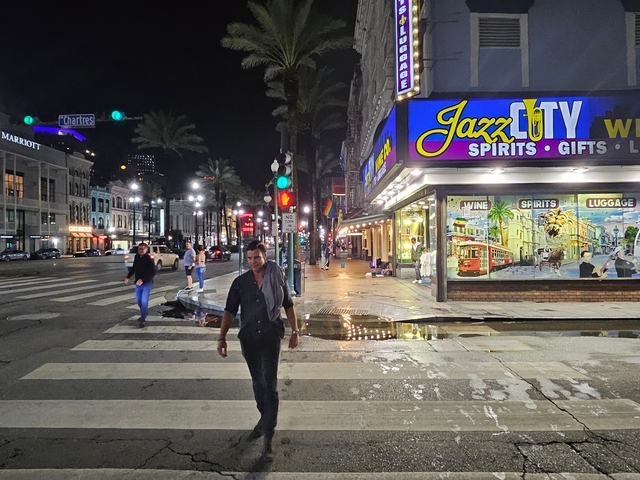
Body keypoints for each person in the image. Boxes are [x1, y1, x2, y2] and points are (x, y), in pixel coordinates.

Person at [217, 240, 300, 457]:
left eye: (257, 258)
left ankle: (268, 435)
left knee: (270, 385)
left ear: (264, 257)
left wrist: (295, 332)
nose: (253, 262)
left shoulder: (276, 277)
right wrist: (222, 337)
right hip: (249, 339)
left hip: (271, 337)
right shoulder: (240, 283)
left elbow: (288, 305)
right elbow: (229, 311)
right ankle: (264, 418)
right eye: (250, 258)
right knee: (257, 384)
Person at [124, 242, 156, 328]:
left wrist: (143, 279)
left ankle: (143, 320)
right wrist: (128, 276)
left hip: (147, 282)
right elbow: (134, 268)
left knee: (144, 301)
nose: (141, 251)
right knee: (138, 300)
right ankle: (144, 312)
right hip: (138, 282)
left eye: (143, 249)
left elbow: (153, 272)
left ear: (146, 250)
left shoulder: (149, 259)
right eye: (139, 249)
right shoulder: (137, 257)